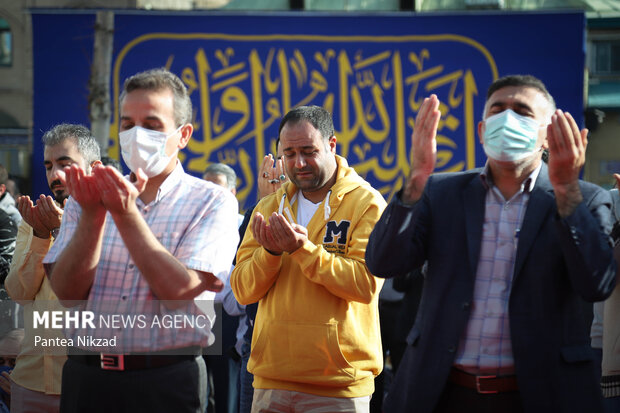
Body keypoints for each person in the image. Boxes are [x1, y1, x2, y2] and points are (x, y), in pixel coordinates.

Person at [365, 74, 617, 413]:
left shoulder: (584, 200)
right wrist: (416, 180)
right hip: (442, 393)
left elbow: (596, 284)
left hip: (542, 396)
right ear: (483, 131)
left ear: (547, 136)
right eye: (498, 110)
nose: (507, 119)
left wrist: (566, 190)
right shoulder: (440, 193)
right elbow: (382, 263)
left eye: (522, 112)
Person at [42, 68, 239, 413]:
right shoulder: (86, 199)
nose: (136, 135)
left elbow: (180, 291)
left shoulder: (211, 201)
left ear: (183, 135)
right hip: (87, 379)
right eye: (127, 124)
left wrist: (124, 214)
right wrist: (92, 216)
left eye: (151, 125)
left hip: (165, 382)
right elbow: (68, 293)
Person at [231, 105, 386, 412]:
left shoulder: (366, 203)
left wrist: (303, 250)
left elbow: (365, 284)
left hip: (339, 386)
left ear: (332, 145)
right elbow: (243, 290)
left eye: (308, 151)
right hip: (271, 380)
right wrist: (271, 253)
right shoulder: (268, 207)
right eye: (288, 154)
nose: (299, 163)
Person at [5, 123, 101, 413]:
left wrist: (64, 231)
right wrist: (40, 235)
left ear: (93, 168)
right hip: (31, 379)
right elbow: (19, 292)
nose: (54, 176)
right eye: (48, 166)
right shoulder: (33, 219)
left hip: (91, 382)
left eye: (65, 164)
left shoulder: (112, 218)